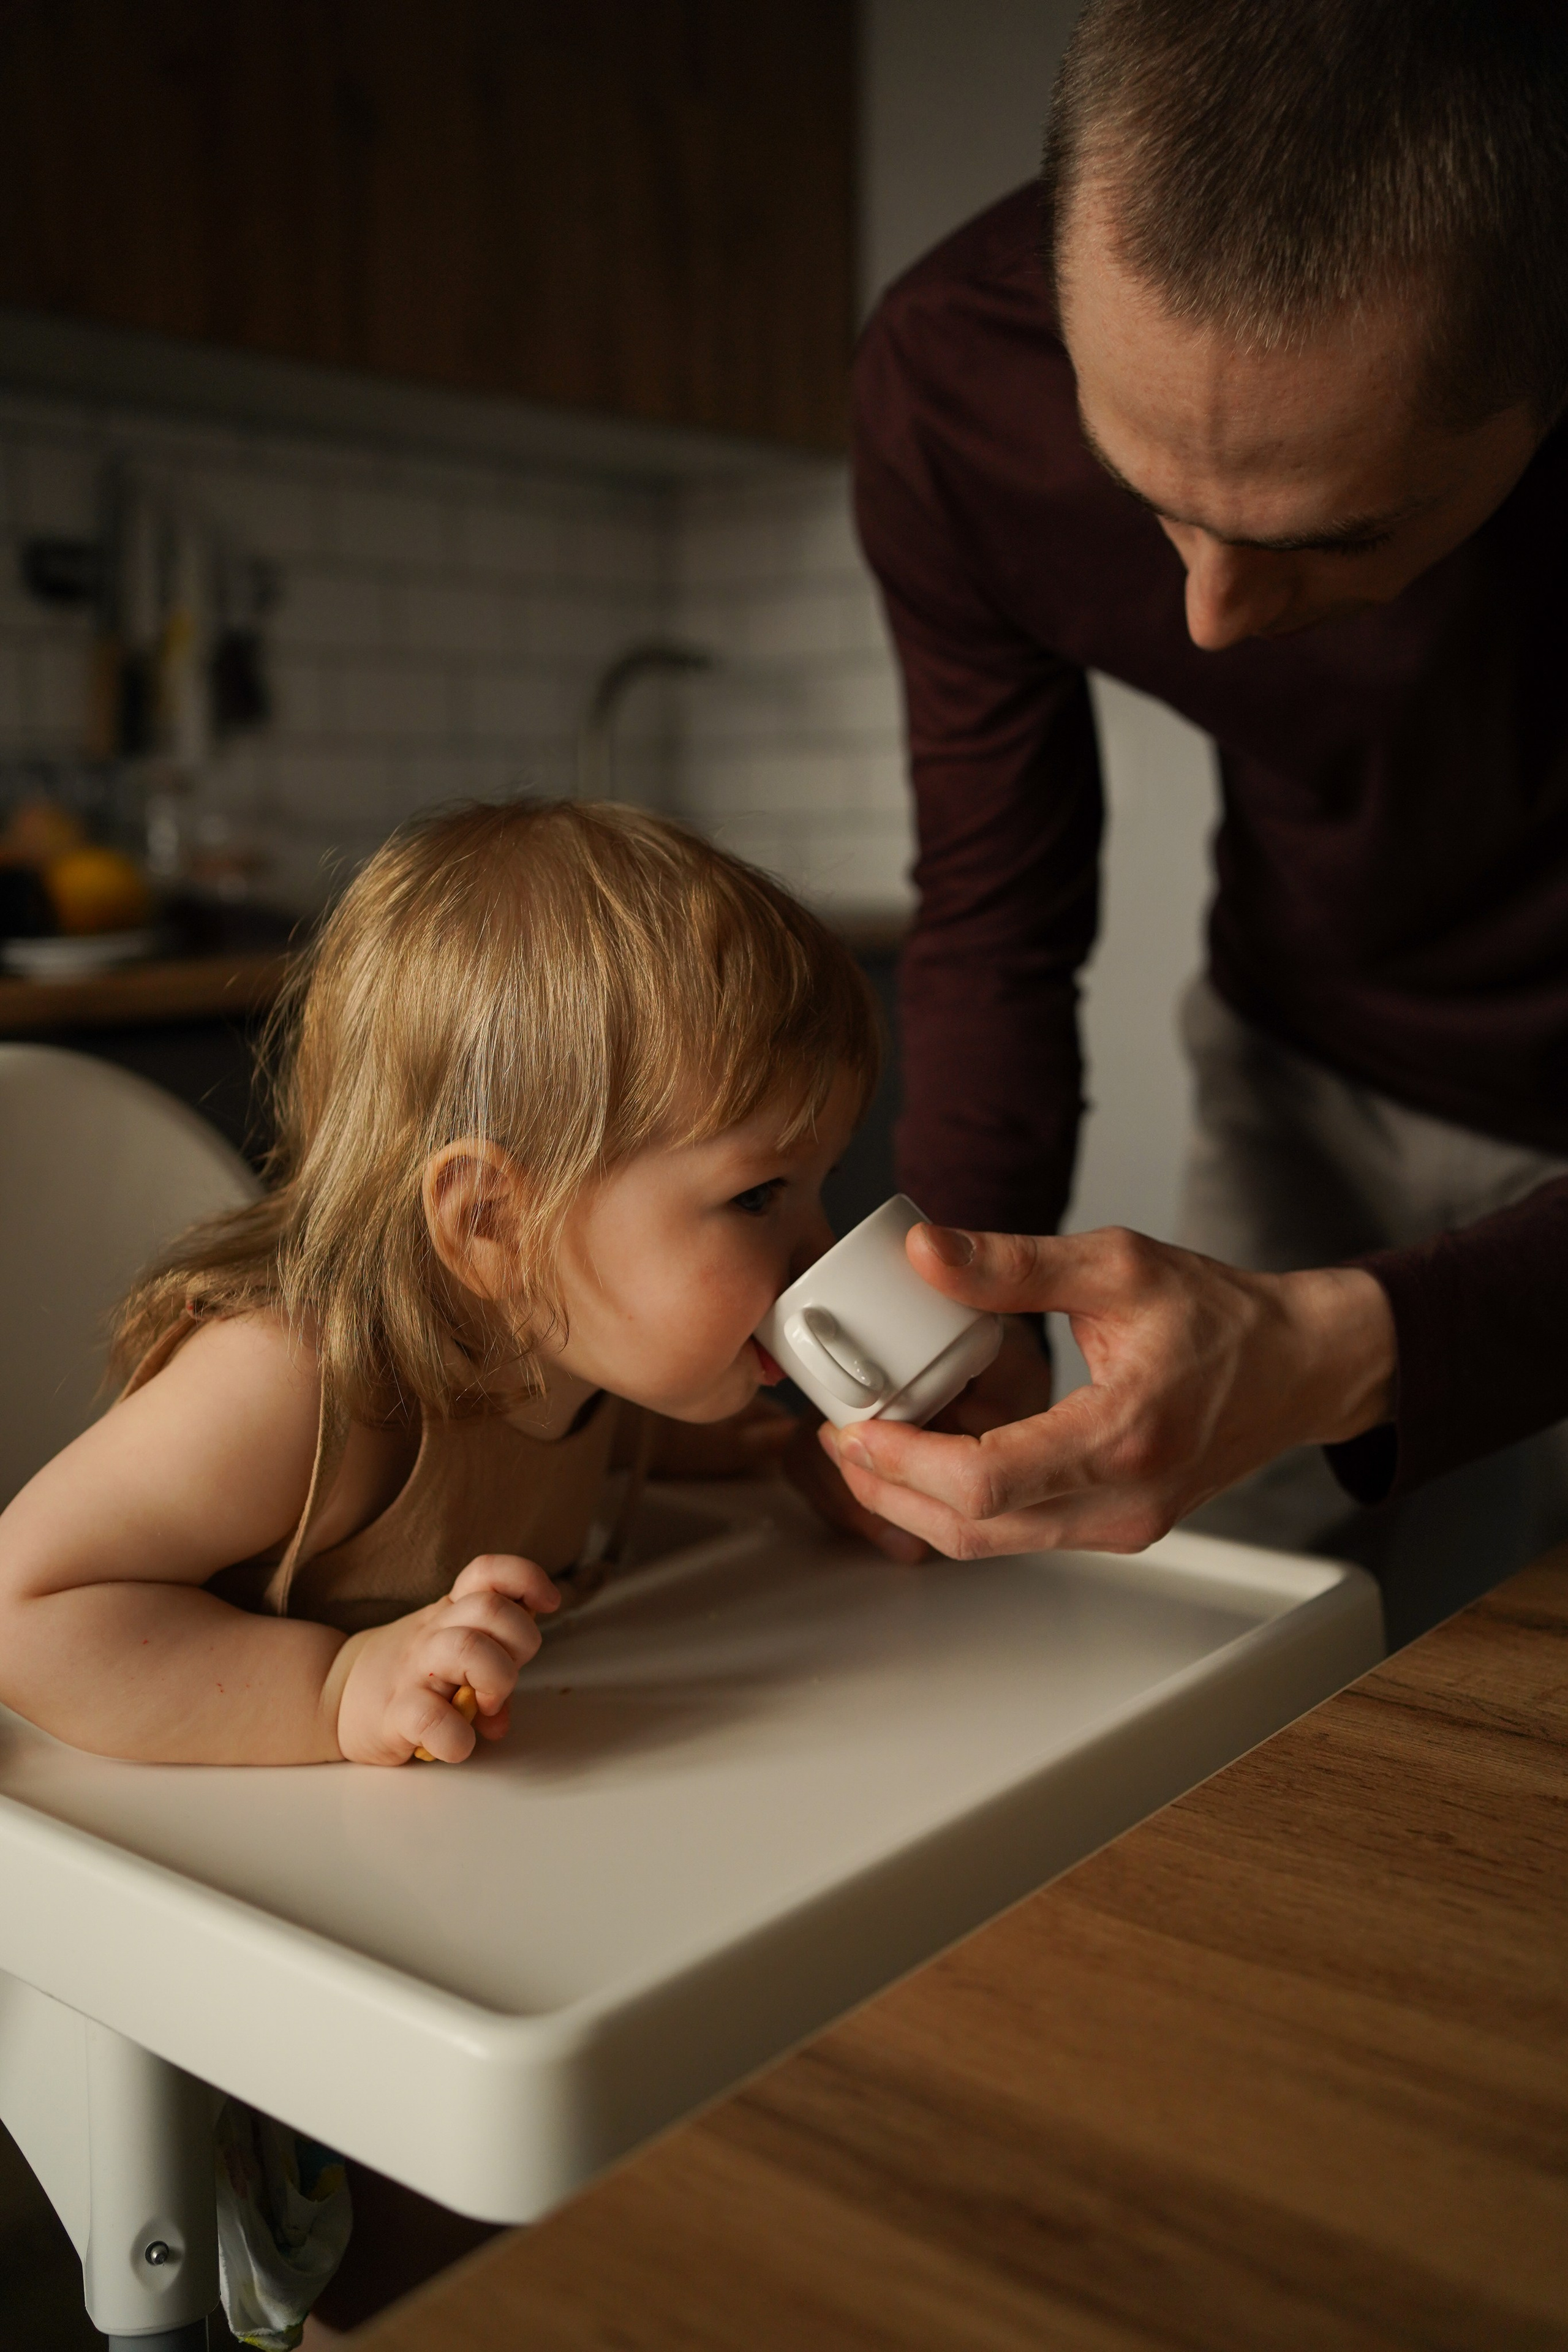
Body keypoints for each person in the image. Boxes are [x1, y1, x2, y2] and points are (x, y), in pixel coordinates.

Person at [0, 797, 876, 2339]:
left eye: (813, 1184)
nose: (815, 1242)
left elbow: (593, 1476)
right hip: (257, 1953)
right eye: (759, 1196)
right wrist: (334, 1682)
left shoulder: (588, 1346)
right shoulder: (296, 1384)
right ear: (491, 1220)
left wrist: (783, 1454)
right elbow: (27, 1605)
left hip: (483, 1894)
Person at [812, 0, 1568, 1635]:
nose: (1211, 618)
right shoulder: (955, 380)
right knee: (1242, 1630)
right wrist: (967, 1312)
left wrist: (1368, 1351)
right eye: (1148, 494)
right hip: (1299, 1058)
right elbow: (999, 917)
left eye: (1340, 536)